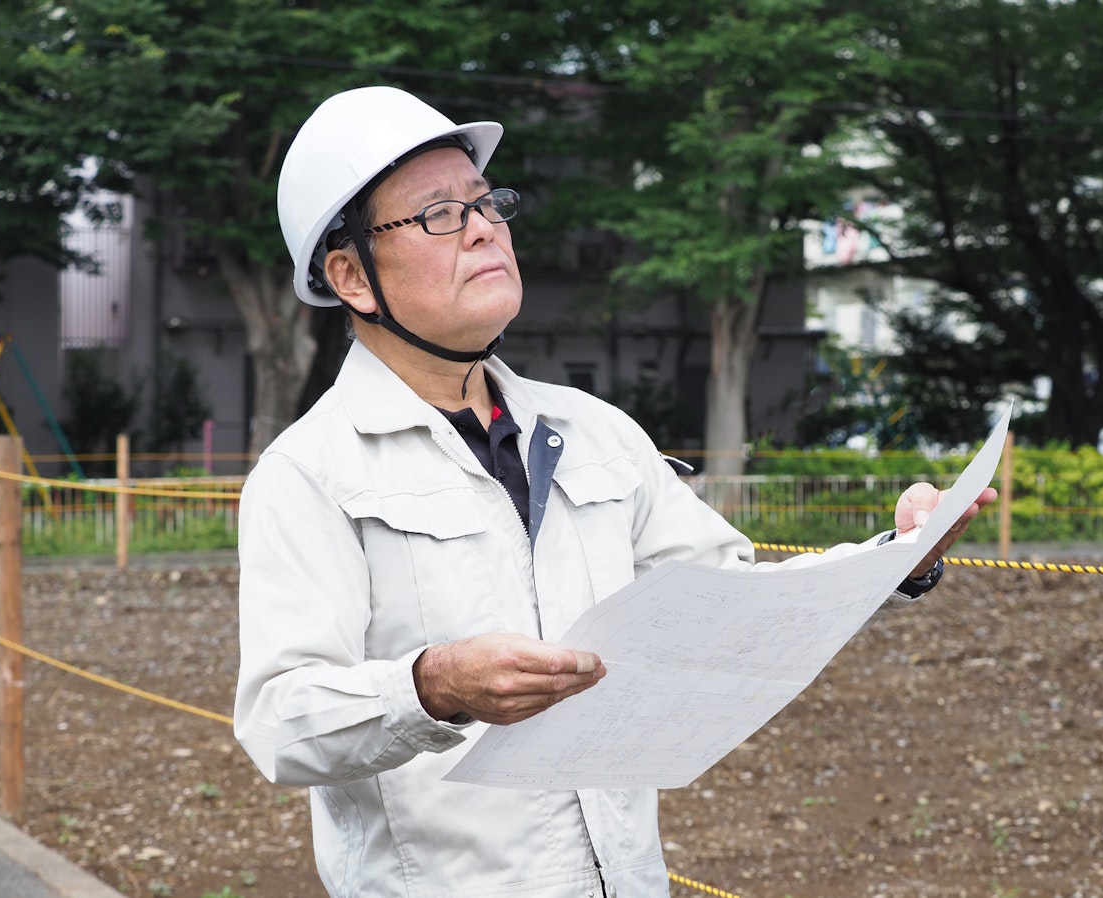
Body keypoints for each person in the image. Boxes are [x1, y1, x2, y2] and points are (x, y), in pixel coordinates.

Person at [233, 85, 996, 898]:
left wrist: (898, 559)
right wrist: (431, 686)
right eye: (438, 215)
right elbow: (283, 721)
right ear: (351, 275)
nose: (485, 226)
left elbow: (726, 603)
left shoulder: (593, 431)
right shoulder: (310, 472)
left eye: (487, 203)